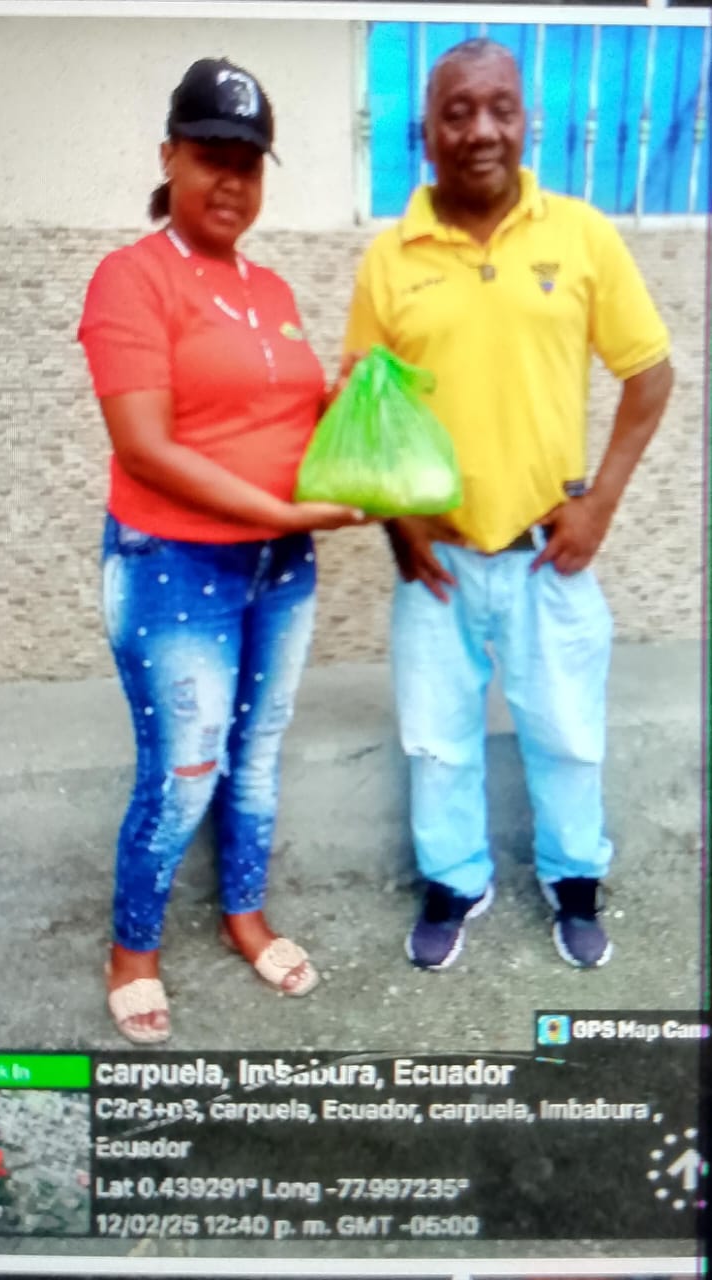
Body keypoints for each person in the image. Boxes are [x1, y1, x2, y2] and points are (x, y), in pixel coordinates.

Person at [342, 38, 673, 971]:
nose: (481, 130)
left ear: (528, 121)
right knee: (437, 742)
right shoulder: (391, 258)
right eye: (457, 113)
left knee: (567, 736)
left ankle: (575, 882)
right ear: (426, 132)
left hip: (545, 555)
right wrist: (398, 522)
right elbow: (365, 408)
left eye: (501, 108)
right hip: (438, 563)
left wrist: (599, 505)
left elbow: (650, 376)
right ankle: (455, 881)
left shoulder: (581, 236)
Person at [78, 57, 364, 1043]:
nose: (231, 180)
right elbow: (145, 447)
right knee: (184, 770)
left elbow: (284, 417)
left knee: (258, 755)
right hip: (176, 566)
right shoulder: (132, 278)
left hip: (278, 566)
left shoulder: (272, 288)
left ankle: (244, 913)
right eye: (211, 156)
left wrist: (356, 409)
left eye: (248, 162)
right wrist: (288, 510)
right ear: (170, 157)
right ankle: (133, 950)